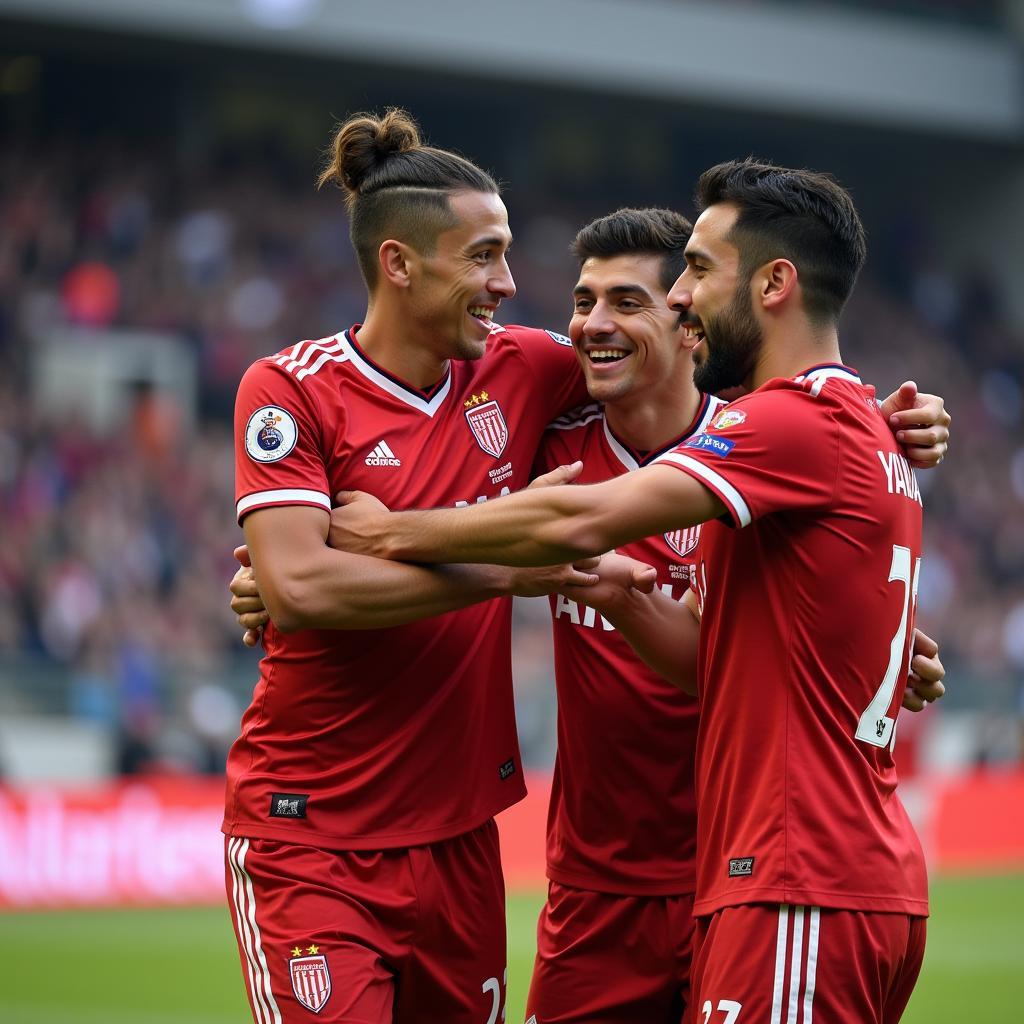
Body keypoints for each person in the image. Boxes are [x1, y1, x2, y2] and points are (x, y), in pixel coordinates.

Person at [233, 196, 948, 1024]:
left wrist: (385, 537)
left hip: (751, 864)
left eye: (630, 301)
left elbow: (800, 568)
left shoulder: (761, 442)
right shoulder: (546, 441)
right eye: (582, 301)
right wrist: (285, 575)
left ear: (689, 323)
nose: (591, 324)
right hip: (600, 890)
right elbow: (408, 498)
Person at [225, 107, 597, 1024]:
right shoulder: (290, 389)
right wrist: (510, 565)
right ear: (399, 262)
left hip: (462, 839)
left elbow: (697, 378)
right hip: (310, 833)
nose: (508, 283)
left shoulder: (530, 370)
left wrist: (865, 418)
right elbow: (302, 588)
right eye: (483, 256)